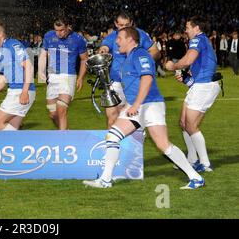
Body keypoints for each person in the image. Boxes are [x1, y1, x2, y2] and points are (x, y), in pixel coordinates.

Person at [84, 27, 205, 190]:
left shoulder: (140, 54)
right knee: (113, 136)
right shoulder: (127, 58)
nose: (116, 41)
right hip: (139, 106)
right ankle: (106, 179)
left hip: (150, 105)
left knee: (164, 145)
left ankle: (195, 177)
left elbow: (147, 78)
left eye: (120, 38)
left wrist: (135, 104)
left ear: (130, 40)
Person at [165, 16, 221, 172]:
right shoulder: (202, 41)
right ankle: (192, 159)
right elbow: (198, 66)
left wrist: (173, 66)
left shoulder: (197, 39)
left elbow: (188, 59)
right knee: (183, 123)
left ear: (197, 28)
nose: (186, 29)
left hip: (205, 86)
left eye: (188, 26)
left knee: (191, 125)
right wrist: (186, 78)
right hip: (200, 85)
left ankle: (205, 163)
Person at [98, 12, 160, 129]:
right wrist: (103, 51)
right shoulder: (112, 37)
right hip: (115, 81)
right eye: (121, 25)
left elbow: (155, 52)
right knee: (112, 117)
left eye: (127, 25)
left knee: (133, 118)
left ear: (131, 23)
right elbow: (104, 47)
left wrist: (142, 63)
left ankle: (133, 144)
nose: (124, 28)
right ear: (116, 24)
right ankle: (113, 145)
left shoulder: (140, 35)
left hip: (134, 82)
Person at [0, 21, 35, 130]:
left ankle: (23, 144)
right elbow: (3, 78)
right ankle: (18, 145)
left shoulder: (12, 44)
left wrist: (24, 91)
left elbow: (29, 66)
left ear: (0, 34)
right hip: (17, 90)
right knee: (11, 127)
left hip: (20, 91)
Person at [38, 19, 88, 130]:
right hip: (52, 76)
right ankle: (66, 133)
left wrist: (80, 78)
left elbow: (84, 59)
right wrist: (41, 71)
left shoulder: (78, 39)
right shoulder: (49, 36)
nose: (58, 33)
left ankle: (63, 141)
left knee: (61, 109)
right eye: (56, 30)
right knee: (53, 114)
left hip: (68, 76)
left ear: (68, 27)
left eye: (61, 30)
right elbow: (43, 54)